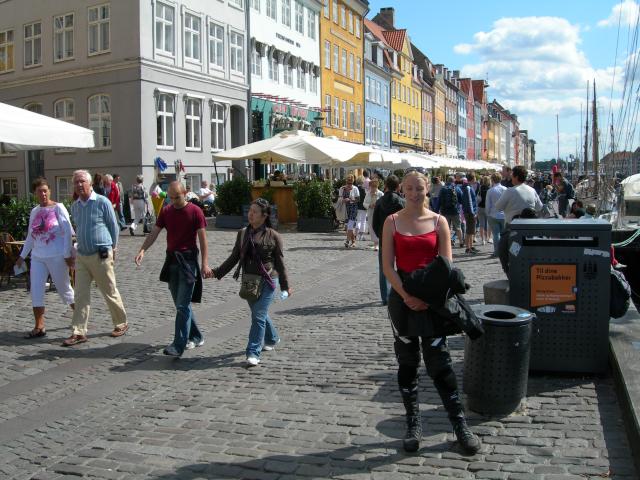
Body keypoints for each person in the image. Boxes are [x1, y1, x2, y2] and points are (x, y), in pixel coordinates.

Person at [381, 171, 480, 455]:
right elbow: (388, 266)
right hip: (402, 301)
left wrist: (425, 296)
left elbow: (446, 266)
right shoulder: (392, 222)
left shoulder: (439, 222)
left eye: (419, 188)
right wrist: (407, 295)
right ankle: (413, 424)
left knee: (440, 364)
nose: (414, 193)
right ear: (402, 190)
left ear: (428, 190)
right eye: (409, 188)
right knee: (408, 363)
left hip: (433, 301)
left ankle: (460, 425)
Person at [135, 181, 211, 357]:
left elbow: (203, 240)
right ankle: (196, 336)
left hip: (188, 262)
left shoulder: (195, 211)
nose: (174, 200)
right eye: (171, 197)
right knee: (180, 304)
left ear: (185, 193)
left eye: (177, 197)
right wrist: (142, 250)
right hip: (171, 261)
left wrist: (204, 264)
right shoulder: (167, 211)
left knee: (183, 305)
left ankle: (178, 345)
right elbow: (155, 232)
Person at [212, 198, 290, 367]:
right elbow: (233, 258)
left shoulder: (273, 236)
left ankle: (253, 352)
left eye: (255, 212)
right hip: (249, 281)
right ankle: (272, 337)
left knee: (258, 315)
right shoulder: (242, 234)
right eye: (250, 211)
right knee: (259, 314)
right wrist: (217, 272)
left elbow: (280, 263)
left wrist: (285, 287)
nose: (251, 214)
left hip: (269, 280)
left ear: (264, 215)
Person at [63, 170, 128, 346]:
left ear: (90, 184)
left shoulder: (102, 202)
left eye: (82, 181)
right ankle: (79, 331)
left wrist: (113, 248)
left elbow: (113, 226)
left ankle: (121, 323)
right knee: (80, 295)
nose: (78, 185)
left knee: (109, 291)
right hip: (82, 256)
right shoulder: (75, 206)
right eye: (76, 182)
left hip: (101, 254)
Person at [16, 177, 75, 338]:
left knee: (64, 289)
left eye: (45, 190)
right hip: (37, 257)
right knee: (36, 290)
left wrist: (67, 254)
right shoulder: (35, 211)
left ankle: (80, 317)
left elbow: (68, 232)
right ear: (35, 193)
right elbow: (30, 235)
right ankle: (39, 326)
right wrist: (22, 256)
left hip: (56, 255)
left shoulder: (58, 208)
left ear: (49, 191)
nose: (42, 194)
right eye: (39, 191)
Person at [372, 175, 405, 305]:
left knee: (384, 267)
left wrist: (381, 235)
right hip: (400, 237)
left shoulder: (380, 201)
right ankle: (402, 293)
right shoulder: (402, 202)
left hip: (384, 238)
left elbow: (374, 223)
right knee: (403, 265)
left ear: (385, 186)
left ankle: (385, 297)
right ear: (398, 187)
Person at [438, 176, 464, 248]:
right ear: (454, 181)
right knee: (458, 227)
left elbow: (439, 200)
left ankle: (448, 242)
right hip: (455, 211)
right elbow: (462, 200)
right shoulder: (457, 188)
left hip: (445, 211)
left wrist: (436, 210)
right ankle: (461, 242)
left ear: (447, 181)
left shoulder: (442, 189)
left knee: (447, 228)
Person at [485, 172, 507, 258]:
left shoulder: (490, 191)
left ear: (492, 180)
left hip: (493, 215)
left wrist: (487, 213)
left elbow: (488, 204)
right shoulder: (505, 189)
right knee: (504, 235)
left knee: (495, 234)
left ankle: (497, 252)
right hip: (504, 214)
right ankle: (504, 251)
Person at [338, 175, 360, 248]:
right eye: (348, 183)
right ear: (346, 182)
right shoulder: (342, 189)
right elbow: (339, 198)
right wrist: (343, 200)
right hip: (345, 208)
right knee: (349, 226)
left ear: (353, 182)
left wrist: (351, 199)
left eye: (350, 183)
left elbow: (358, 199)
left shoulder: (355, 188)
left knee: (350, 224)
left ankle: (347, 241)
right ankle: (353, 242)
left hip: (353, 208)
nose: (349, 184)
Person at [364, 178, 383, 250]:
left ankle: (377, 244)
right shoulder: (368, 194)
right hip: (371, 213)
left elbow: (383, 203)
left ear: (377, 186)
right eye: (371, 186)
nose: (372, 188)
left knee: (377, 227)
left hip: (378, 214)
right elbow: (364, 203)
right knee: (371, 228)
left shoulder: (380, 193)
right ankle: (376, 243)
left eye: (374, 186)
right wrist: (369, 205)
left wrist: (378, 205)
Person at [460, 174, 478, 254]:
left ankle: (470, 246)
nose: (476, 179)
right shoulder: (468, 188)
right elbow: (470, 201)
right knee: (469, 230)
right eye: (475, 178)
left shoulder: (468, 187)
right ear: (472, 178)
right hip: (470, 212)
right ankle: (468, 248)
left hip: (469, 211)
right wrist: (472, 212)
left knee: (471, 230)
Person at [476, 175, 491, 245]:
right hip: (487, 208)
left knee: (481, 224)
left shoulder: (480, 187)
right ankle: (487, 237)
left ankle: (482, 240)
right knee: (487, 224)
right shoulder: (490, 188)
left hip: (480, 207)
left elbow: (476, 196)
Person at [355, 176, 368, 242]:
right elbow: (366, 198)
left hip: (357, 207)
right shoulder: (363, 189)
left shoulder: (355, 188)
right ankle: (361, 236)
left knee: (358, 220)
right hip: (363, 207)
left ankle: (356, 234)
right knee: (363, 221)